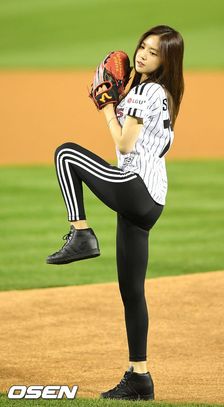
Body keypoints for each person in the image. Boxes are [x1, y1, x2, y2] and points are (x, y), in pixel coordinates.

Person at [47, 25, 184, 400]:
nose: (143, 54)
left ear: (165, 60)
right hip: (150, 200)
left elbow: (124, 142)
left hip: (136, 188)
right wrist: (118, 101)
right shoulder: (163, 94)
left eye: (154, 52)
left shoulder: (145, 90)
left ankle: (81, 233)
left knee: (66, 153)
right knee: (132, 291)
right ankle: (139, 376)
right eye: (143, 46)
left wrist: (108, 107)